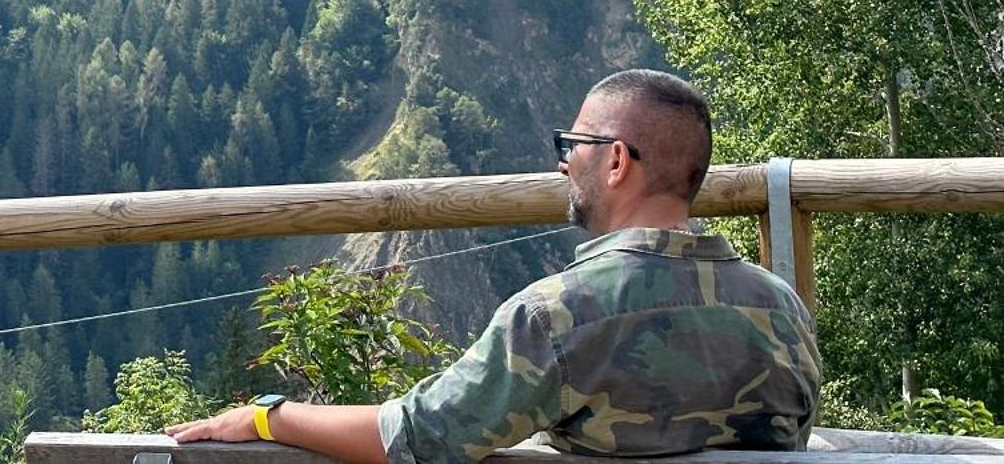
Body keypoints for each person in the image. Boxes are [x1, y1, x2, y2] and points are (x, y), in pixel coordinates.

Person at [167, 69, 821, 460]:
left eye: (576, 145)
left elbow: (416, 438)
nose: (564, 162)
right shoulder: (783, 310)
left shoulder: (560, 316)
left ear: (618, 161)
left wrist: (266, 417)